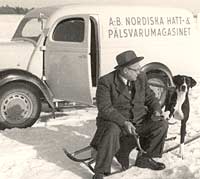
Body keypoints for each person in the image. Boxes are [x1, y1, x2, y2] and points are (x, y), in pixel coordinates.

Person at [90, 50, 168, 179]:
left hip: (139, 120)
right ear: (125, 70)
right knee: (111, 130)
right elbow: (105, 108)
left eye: (139, 68)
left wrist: (156, 110)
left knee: (161, 124)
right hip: (116, 123)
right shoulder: (106, 82)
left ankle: (145, 158)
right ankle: (100, 171)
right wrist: (124, 122)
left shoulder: (141, 77)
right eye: (136, 69)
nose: (140, 72)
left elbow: (150, 97)